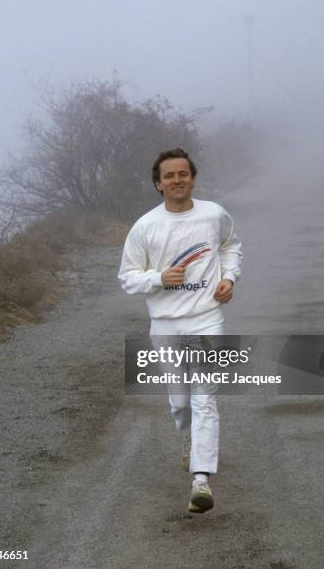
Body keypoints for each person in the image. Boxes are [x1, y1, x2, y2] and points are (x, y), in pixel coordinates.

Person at [118, 148, 243, 513]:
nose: (177, 180)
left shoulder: (214, 214)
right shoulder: (145, 227)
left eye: (183, 173)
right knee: (181, 401)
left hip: (207, 318)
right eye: (169, 175)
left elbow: (231, 246)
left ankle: (201, 479)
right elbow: (127, 277)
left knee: (205, 397)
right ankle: (190, 441)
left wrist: (229, 278)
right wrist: (158, 278)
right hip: (166, 323)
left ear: (192, 178)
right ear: (158, 184)